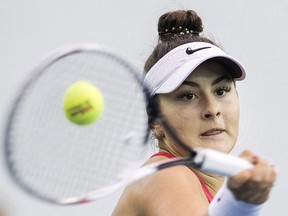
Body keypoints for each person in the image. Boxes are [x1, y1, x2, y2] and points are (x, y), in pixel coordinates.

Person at [112, 9, 276, 216]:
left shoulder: (202, 186)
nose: (212, 109)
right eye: (188, 96)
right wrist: (241, 204)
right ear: (154, 120)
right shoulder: (165, 174)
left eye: (221, 91)